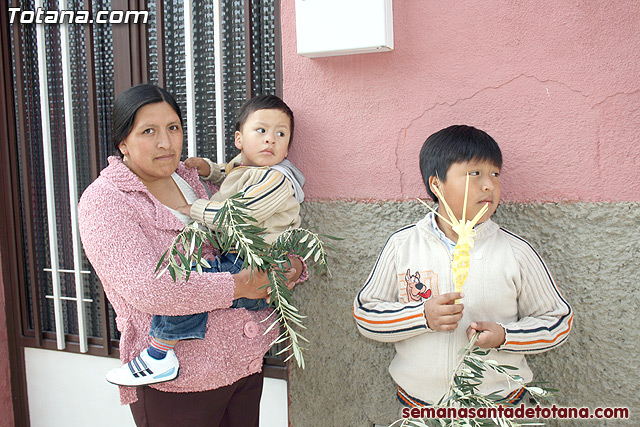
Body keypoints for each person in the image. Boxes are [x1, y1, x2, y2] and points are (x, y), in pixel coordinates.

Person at [78, 84, 306, 426]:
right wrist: (239, 286)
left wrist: (294, 266)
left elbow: (252, 229)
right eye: (148, 131)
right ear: (123, 142)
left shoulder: (192, 179)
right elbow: (149, 289)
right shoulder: (105, 201)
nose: (165, 142)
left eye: (173, 128)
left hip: (243, 365)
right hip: (179, 382)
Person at [353, 125, 573, 408]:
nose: (488, 185)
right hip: (420, 408)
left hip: (497, 408)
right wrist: (422, 317)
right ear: (436, 184)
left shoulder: (516, 252)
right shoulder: (403, 245)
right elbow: (366, 315)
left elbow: (557, 320)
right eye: (474, 174)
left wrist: (506, 336)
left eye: (495, 174)